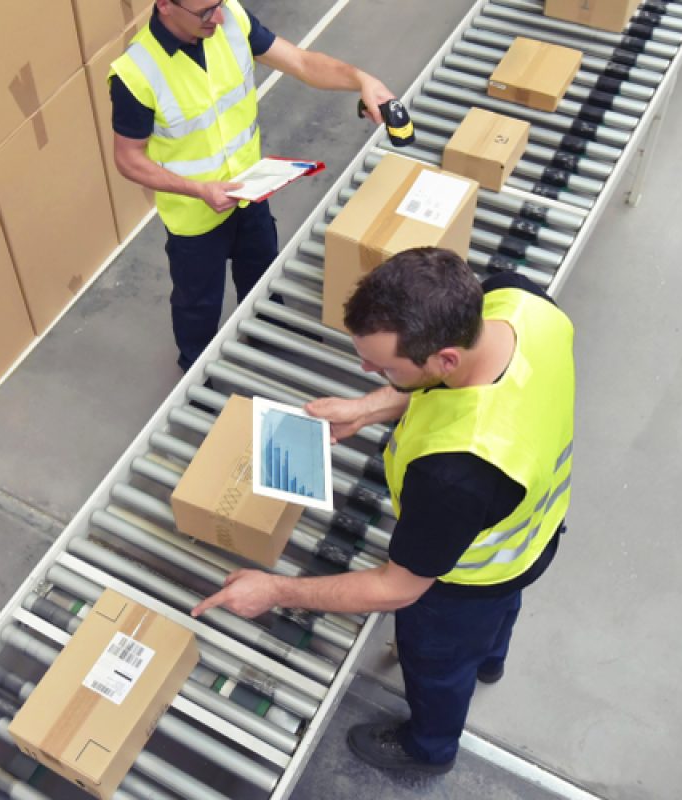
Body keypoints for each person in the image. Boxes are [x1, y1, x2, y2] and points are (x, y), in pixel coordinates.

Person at [191, 248, 575, 774]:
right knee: (498, 615)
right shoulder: (520, 303)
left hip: (469, 578)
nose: (368, 370)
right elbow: (455, 383)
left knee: (438, 662)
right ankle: (491, 659)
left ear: (443, 360)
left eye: (385, 367)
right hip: (533, 532)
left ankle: (428, 748)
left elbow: (397, 588)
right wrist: (367, 408)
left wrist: (275, 590)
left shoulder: (455, 473)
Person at [110, 0, 397, 371]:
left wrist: (361, 80)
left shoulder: (230, 18)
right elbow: (128, 158)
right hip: (195, 218)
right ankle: (196, 374)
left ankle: (268, 333)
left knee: (262, 273)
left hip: (250, 192)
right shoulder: (136, 72)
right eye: (204, 12)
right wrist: (201, 190)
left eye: (218, 3)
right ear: (165, 5)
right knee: (198, 305)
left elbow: (301, 62)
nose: (217, 15)